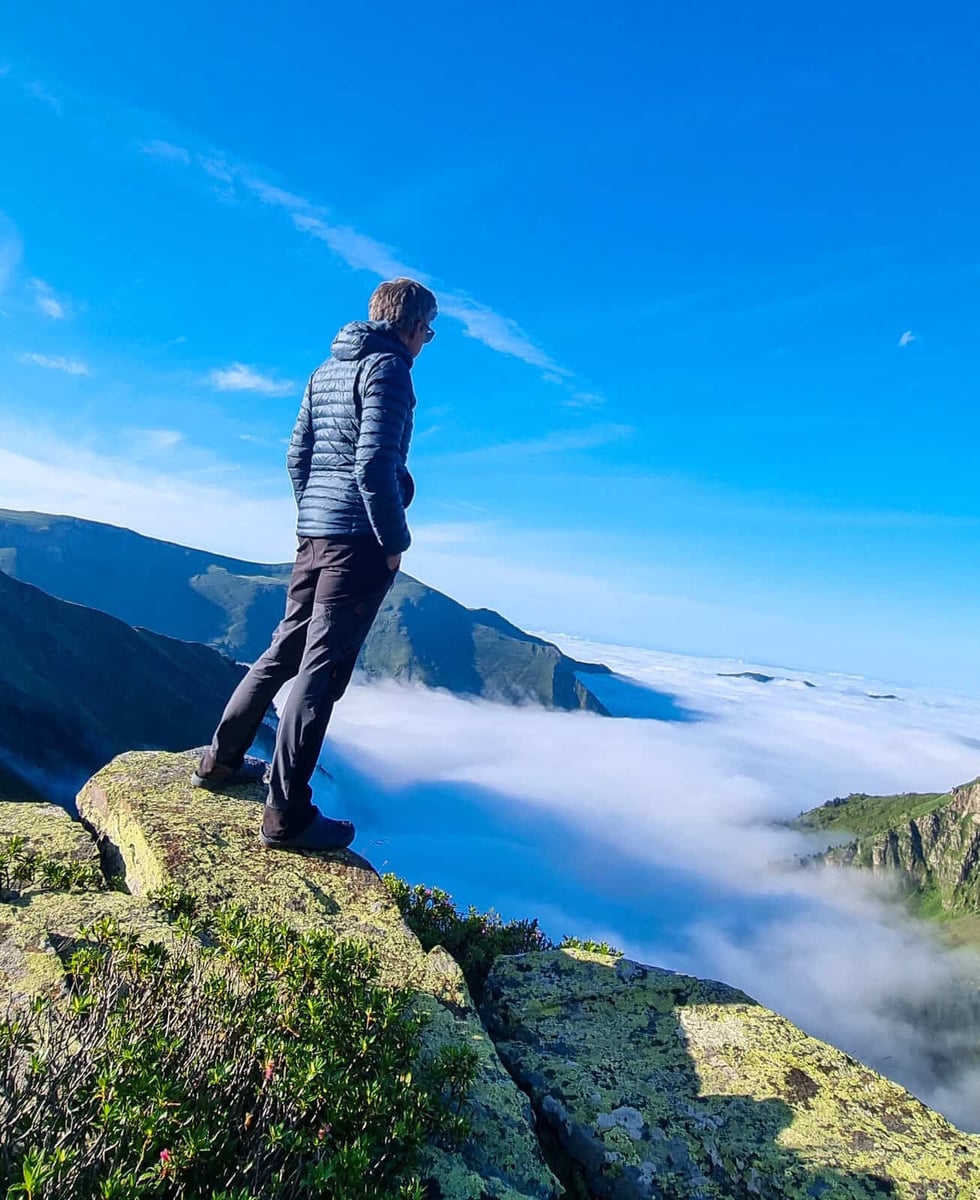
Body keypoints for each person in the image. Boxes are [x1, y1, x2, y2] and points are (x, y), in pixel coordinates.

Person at [191, 278, 437, 851]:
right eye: (428, 329)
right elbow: (374, 462)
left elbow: (296, 457)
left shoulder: (324, 371)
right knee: (321, 671)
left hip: (316, 534)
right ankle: (286, 816)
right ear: (409, 324)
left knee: (285, 648)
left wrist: (315, 513)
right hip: (359, 543)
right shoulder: (389, 369)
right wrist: (394, 539)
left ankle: (220, 762)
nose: (427, 340)